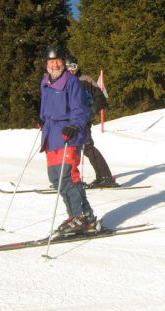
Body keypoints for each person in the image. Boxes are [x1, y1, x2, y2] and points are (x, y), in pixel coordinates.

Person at [39, 45, 98, 235]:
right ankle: (82, 216)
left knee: (68, 176)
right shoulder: (45, 82)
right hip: (51, 135)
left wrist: (75, 125)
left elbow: (80, 109)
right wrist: (42, 120)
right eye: (51, 61)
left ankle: (79, 216)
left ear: (64, 62)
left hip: (68, 134)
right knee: (56, 179)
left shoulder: (71, 82)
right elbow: (46, 107)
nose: (55, 65)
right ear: (46, 64)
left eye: (58, 61)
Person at [65, 55, 118, 188]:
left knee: (87, 147)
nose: (71, 70)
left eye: (74, 66)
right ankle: (67, 178)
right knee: (67, 149)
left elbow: (100, 98)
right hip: (66, 121)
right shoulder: (62, 82)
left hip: (82, 120)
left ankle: (105, 177)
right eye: (68, 67)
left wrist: (92, 110)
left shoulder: (85, 80)